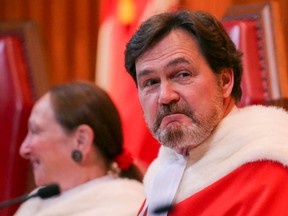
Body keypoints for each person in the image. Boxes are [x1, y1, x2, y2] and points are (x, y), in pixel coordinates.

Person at [124, 10, 288, 215]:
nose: (165, 96)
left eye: (182, 74)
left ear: (225, 81)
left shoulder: (268, 177)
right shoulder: (164, 170)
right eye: (151, 82)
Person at [15, 81, 145, 216]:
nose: (23, 149)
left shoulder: (125, 207)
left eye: (35, 131)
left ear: (81, 141)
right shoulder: (37, 200)